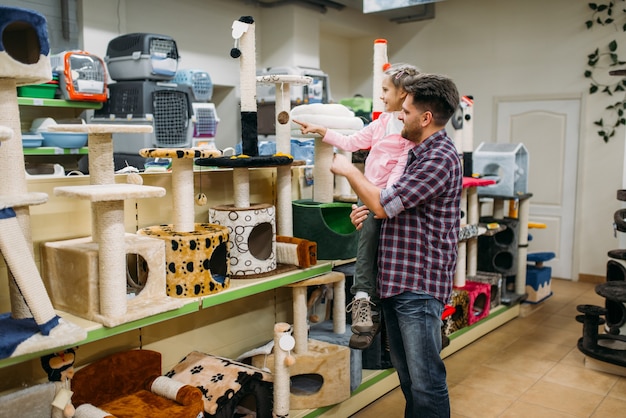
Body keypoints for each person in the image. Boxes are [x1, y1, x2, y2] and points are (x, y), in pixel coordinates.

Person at [330, 73, 462, 417]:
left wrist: (349, 170)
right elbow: (389, 205)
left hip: (418, 285)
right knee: (408, 378)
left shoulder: (439, 158)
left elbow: (383, 204)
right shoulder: (415, 153)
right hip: (396, 281)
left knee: (426, 380)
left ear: (426, 117)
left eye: (405, 110)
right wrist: (369, 215)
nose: (398, 116)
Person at [293, 64, 420, 349]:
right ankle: (363, 302)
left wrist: (384, 199)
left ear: (404, 93)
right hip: (369, 196)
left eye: (386, 90)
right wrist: (322, 130)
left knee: (393, 255)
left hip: (389, 198)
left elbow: (401, 168)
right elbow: (351, 142)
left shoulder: (410, 129)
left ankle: (410, 316)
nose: (382, 95)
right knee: (367, 246)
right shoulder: (381, 123)